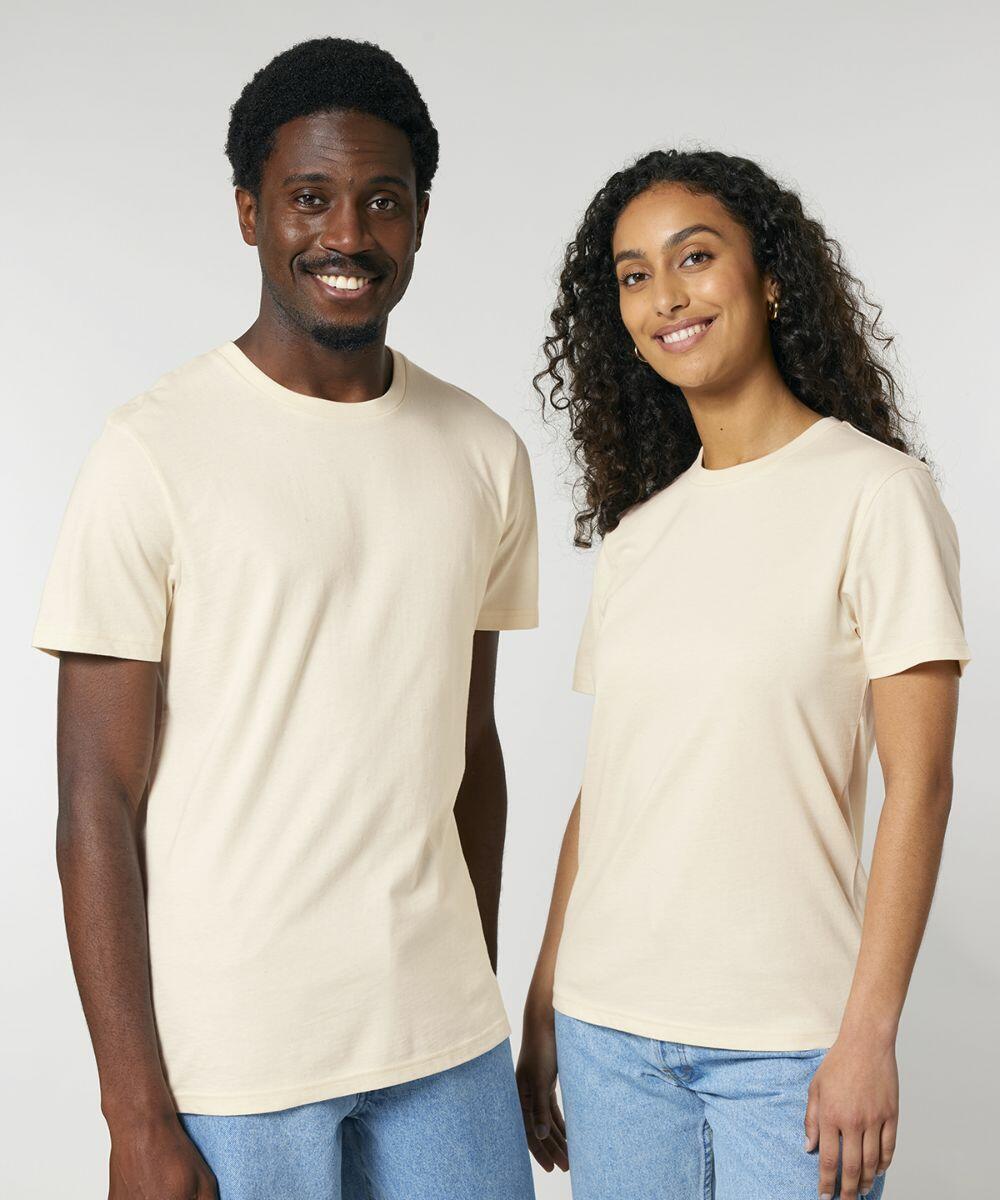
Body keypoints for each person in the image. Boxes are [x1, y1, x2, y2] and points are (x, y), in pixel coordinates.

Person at [32, 37, 538, 1200]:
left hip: (448, 1051)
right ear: (249, 212)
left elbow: (469, 753)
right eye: (309, 198)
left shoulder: (483, 453)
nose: (347, 235)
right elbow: (93, 800)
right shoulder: (150, 451)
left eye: (382, 201)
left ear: (419, 219)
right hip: (236, 1063)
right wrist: (135, 1116)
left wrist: (482, 989)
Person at [517, 149, 971, 1200]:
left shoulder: (876, 495)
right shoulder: (636, 534)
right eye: (633, 274)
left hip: (788, 1046)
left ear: (769, 277)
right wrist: (545, 997)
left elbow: (922, 783)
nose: (665, 295)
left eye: (695, 256)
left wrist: (866, 1036)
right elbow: (613, 784)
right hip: (609, 1032)